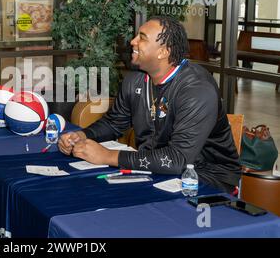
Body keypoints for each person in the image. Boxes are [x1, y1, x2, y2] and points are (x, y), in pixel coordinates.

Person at [59, 16, 241, 193]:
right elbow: (113, 123)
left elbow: (178, 159)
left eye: (142, 38)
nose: (132, 41)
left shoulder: (197, 89)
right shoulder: (135, 80)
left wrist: (107, 156)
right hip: (154, 170)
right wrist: (81, 135)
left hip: (205, 179)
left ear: (163, 51)